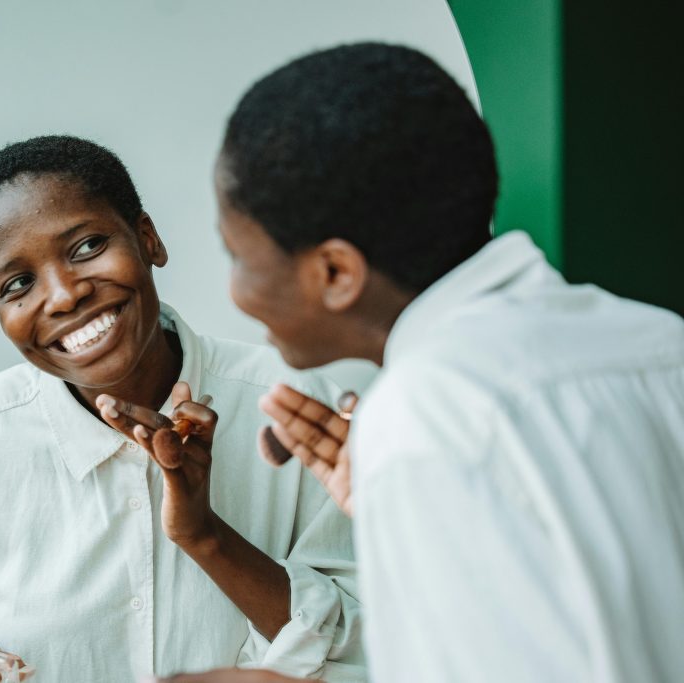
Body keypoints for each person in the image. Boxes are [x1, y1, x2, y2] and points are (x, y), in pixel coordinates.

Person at [152, 42, 684, 682]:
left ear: (335, 272)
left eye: (238, 255)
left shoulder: (426, 417)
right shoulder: (659, 340)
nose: (236, 292)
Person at [0, 135, 368, 683]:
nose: (63, 296)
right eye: (18, 284)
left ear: (148, 238)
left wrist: (204, 537)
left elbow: (369, 647)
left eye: (86, 246)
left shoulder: (292, 406)